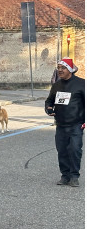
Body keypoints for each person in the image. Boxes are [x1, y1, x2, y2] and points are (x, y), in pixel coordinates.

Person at [45, 58, 85, 187]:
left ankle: (74, 176)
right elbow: (49, 101)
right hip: (61, 125)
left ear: (70, 70)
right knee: (62, 151)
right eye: (59, 67)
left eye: (63, 68)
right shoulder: (57, 85)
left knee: (74, 150)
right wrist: (48, 109)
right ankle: (65, 176)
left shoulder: (81, 84)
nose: (60, 70)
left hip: (76, 125)